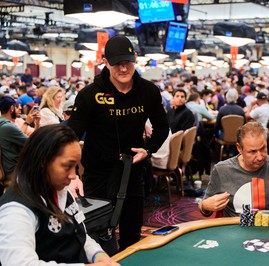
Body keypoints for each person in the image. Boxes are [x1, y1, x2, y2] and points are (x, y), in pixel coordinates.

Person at [68, 35, 169, 252]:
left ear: (135, 59)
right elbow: (68, 136)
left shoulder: (148, 91)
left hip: (133, 173)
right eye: (117, 64)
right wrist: (72, 174)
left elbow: (162, 127)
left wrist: (148, 150)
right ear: (105, 63)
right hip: (98, 175)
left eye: (128, 62)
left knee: (132, 237)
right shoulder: (90, 95)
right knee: (97, 238)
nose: (123, 69)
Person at [0, 125, 119, 265]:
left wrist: (97, 255)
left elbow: (82, 236)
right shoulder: (16, 209)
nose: (74, 176)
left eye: (75, 167)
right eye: (67, 166)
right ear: (42, 161)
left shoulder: (62, 191)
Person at [199, 122, 269, 219]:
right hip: (233, 233)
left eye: (263, 149)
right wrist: (204, 206)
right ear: (239, 148)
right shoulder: (222, 170)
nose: (260, 157)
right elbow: (205, 211)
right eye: (252, 152)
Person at [0, 95, 28, 195]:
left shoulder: (3, 125)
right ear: (12, 108)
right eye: (16, 106)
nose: (19, 108)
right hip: (13, 172)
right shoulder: (7, 126)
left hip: (6, 170)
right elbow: (31, 142)